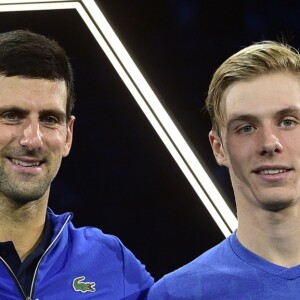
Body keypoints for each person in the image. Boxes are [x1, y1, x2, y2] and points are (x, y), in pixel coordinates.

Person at [0, 29, 153, 299]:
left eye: (49, 119)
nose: (32, 140)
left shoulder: (111, 263)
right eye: (12, 115)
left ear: (68, 135)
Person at [147, 40, 300, 299]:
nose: (269, 144)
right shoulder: (178, 294)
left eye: (288, 121)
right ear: (219, 147)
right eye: (246, 127)